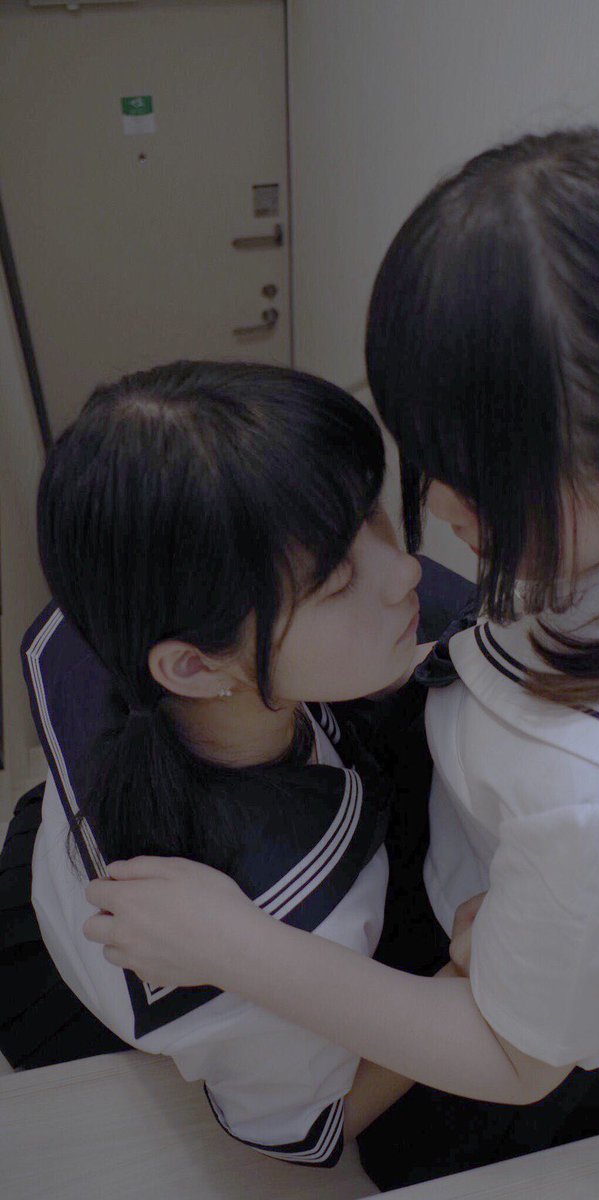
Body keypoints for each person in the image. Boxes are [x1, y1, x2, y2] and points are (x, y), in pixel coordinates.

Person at [83, 129, 599, 1191]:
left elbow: (515, 1060)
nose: (437, 535)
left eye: (483, 493)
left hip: (520, 1038)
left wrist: (233, 947)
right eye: (425, 466)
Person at [0, 359, 459, 1167]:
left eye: (376, 517)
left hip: (49, 858)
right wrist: (465, 981)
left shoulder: (124, 602)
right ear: (194, 666)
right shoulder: (304, 913)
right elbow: (308, 1132)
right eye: (339, 580)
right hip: (114, 1005)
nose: (407, 571)